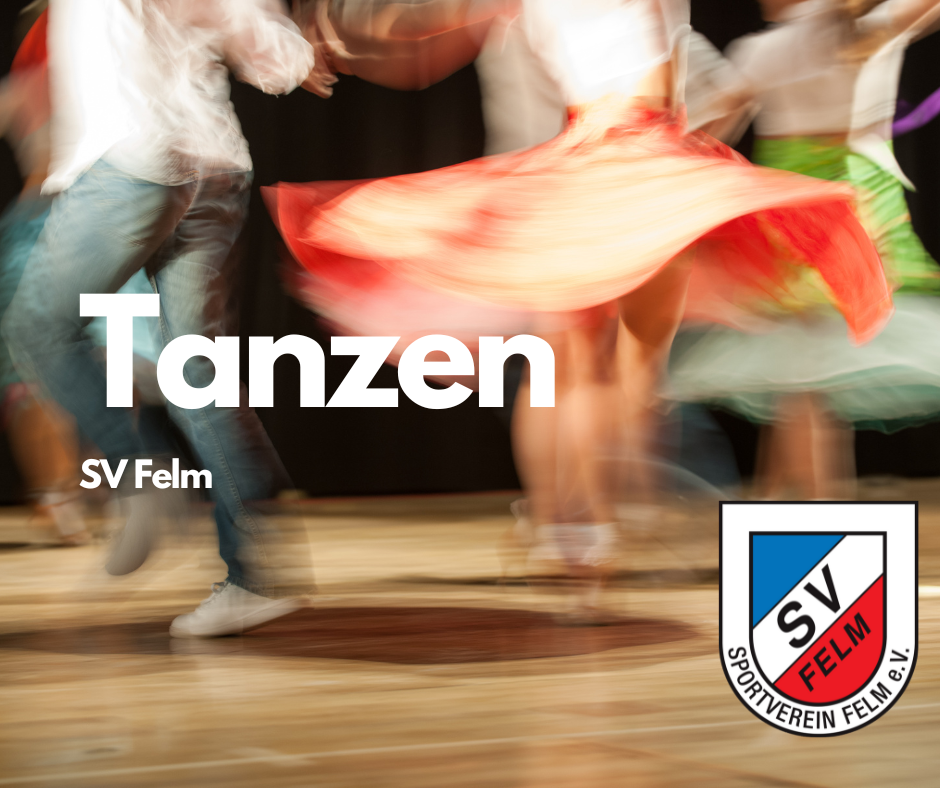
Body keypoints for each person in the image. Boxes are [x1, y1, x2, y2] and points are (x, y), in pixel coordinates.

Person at [267, 0, 893, 612]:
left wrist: (335, 29)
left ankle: (578, 535)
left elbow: (424, 28)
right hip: (644, 159)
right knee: (622, 369)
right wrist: (343, 29)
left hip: (602, 159)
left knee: (578, 368)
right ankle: (595, 525)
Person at [2, 0, 323, 638]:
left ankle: (141, 474)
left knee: (38, 328)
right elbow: (278, 57)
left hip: (132, 163)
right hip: (214, 164)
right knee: (195, 374)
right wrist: (295, 51)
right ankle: (254, 576)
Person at [667, 0, 940, 500]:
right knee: (802, 373)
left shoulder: (766, 49)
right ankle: (777, 499)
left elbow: (716, 119)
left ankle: (817, 507)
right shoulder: (869, 32)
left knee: (806, 380)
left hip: (797, 216)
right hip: (857, 209)